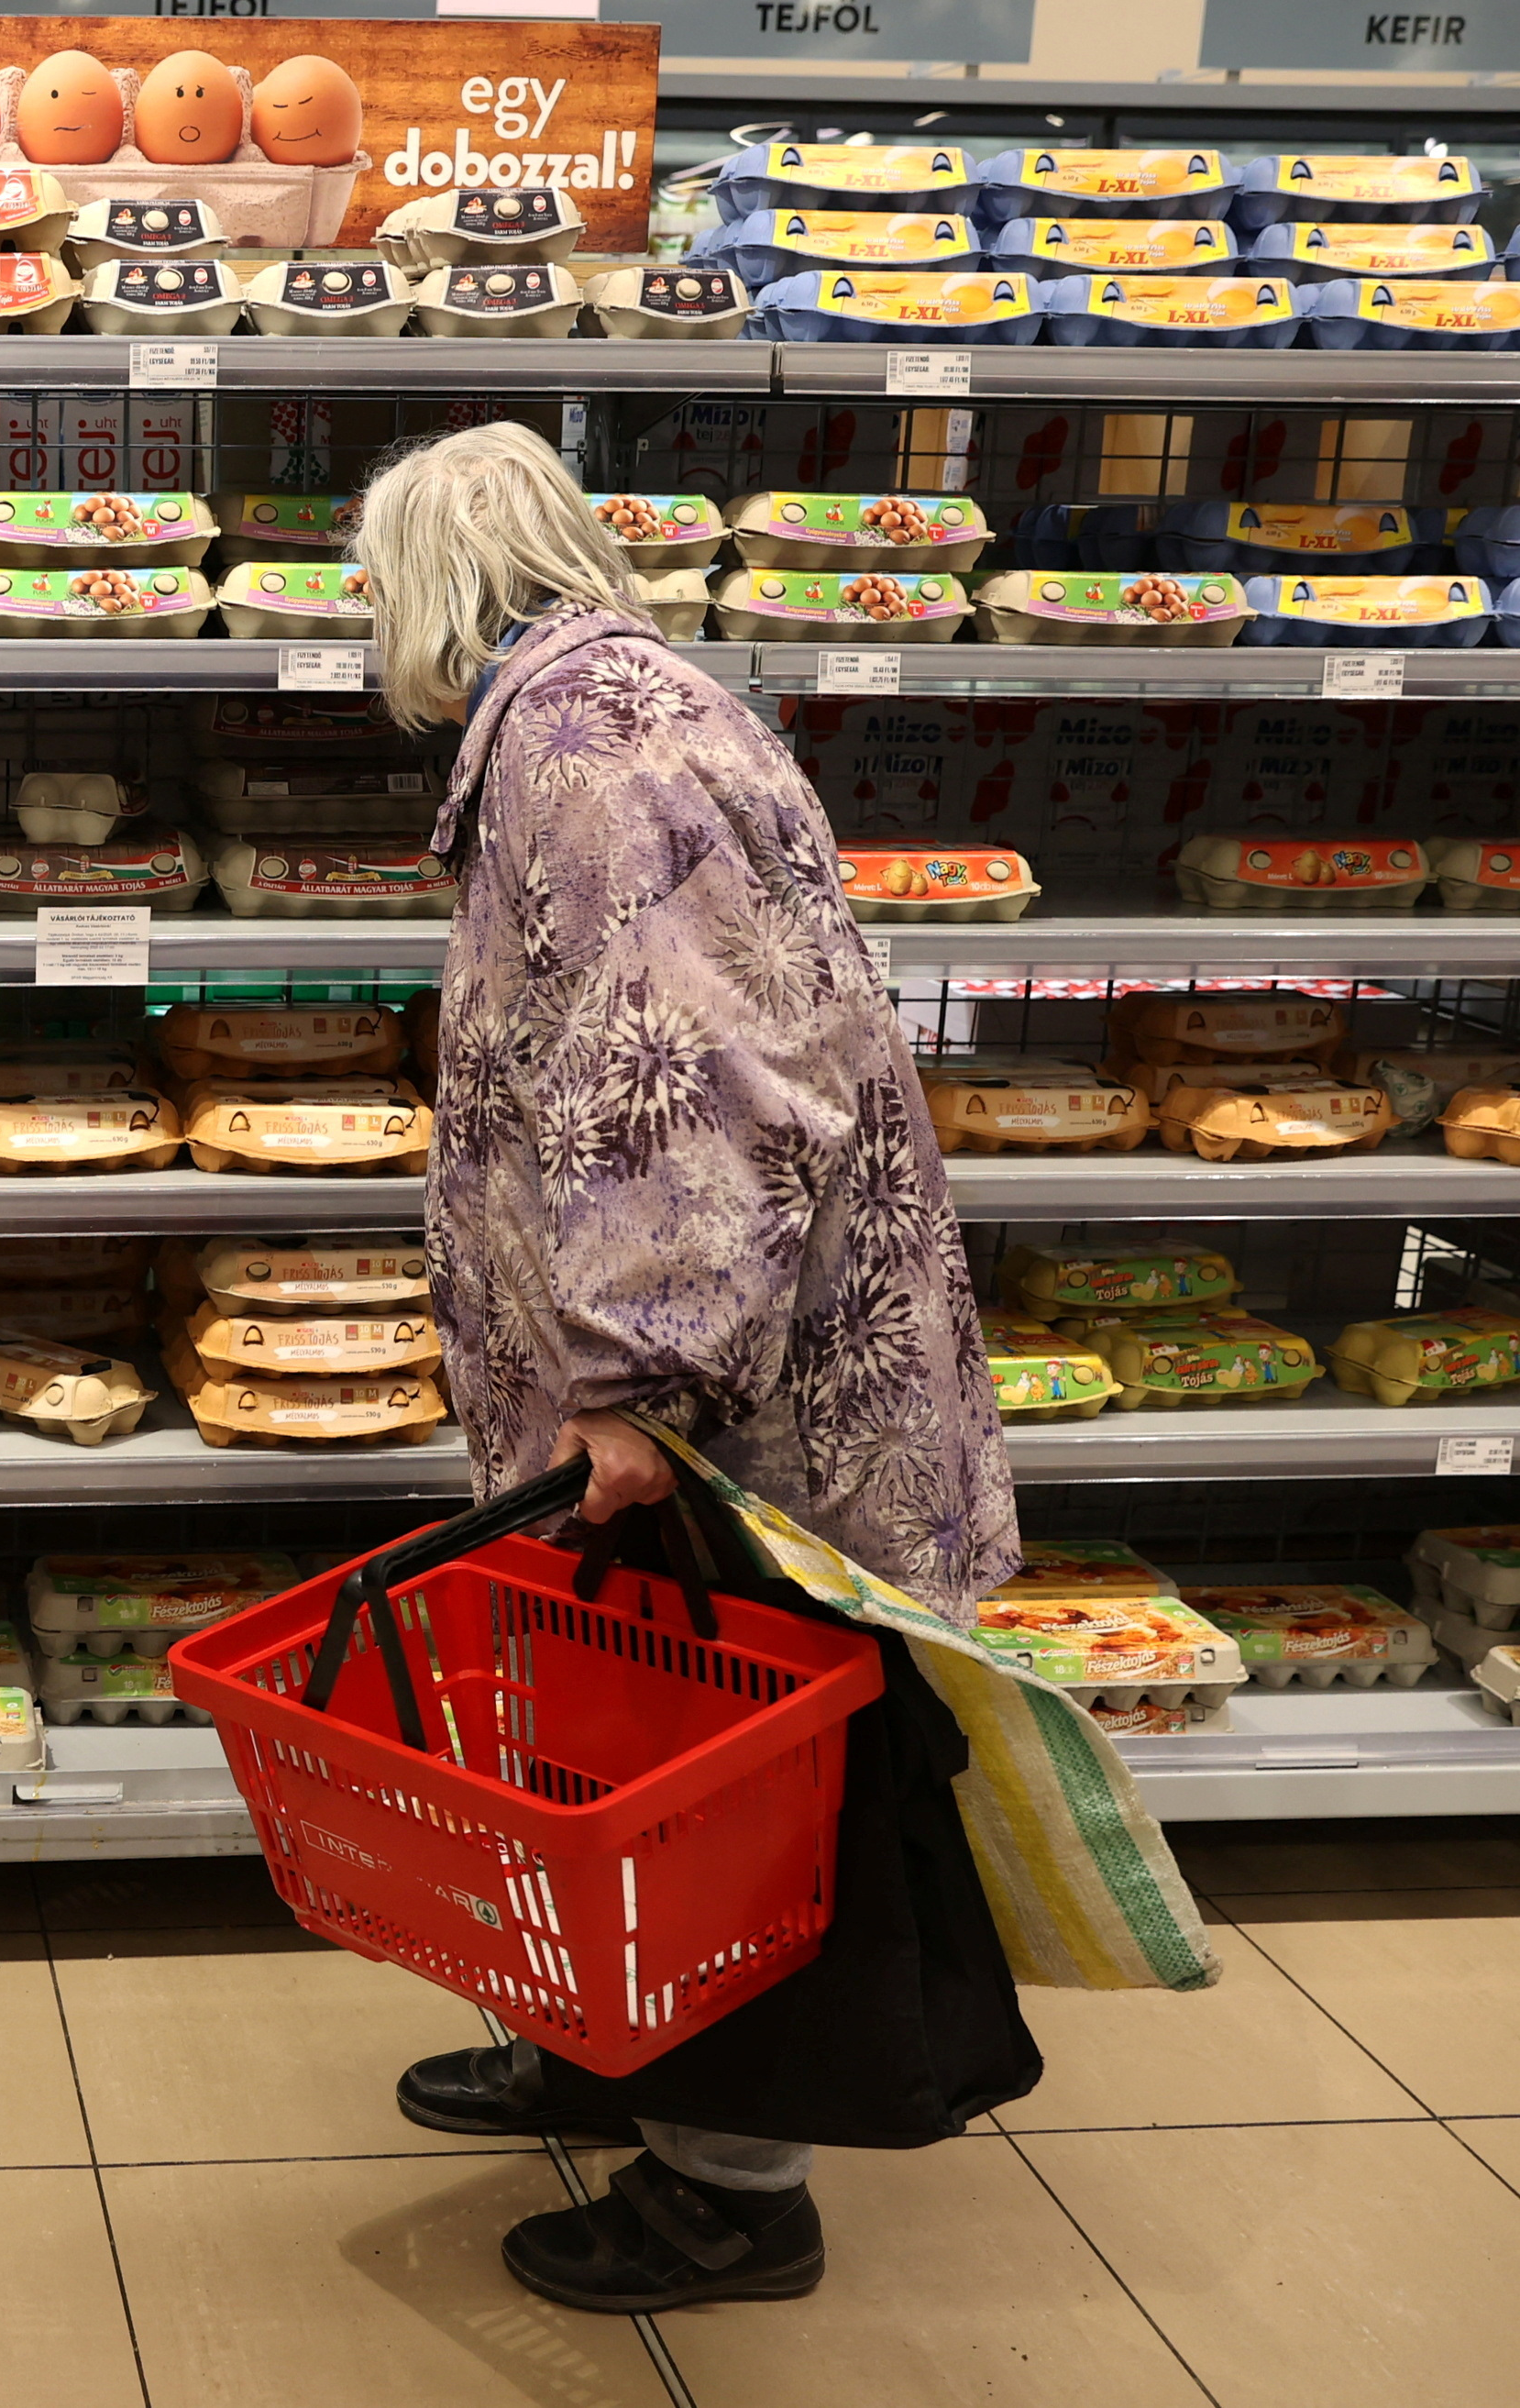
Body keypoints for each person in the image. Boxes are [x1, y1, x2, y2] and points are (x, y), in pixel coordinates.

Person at [347, 424, 1023, 2312]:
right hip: (702, 1356)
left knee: (721, 1772)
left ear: (426, 588)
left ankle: (732, 2183)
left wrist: (634, 1381)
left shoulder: (590, 752)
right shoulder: (617, 705)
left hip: (728, 1388)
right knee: (606, 1730)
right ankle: (590, 2044)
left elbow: (691, 1083)